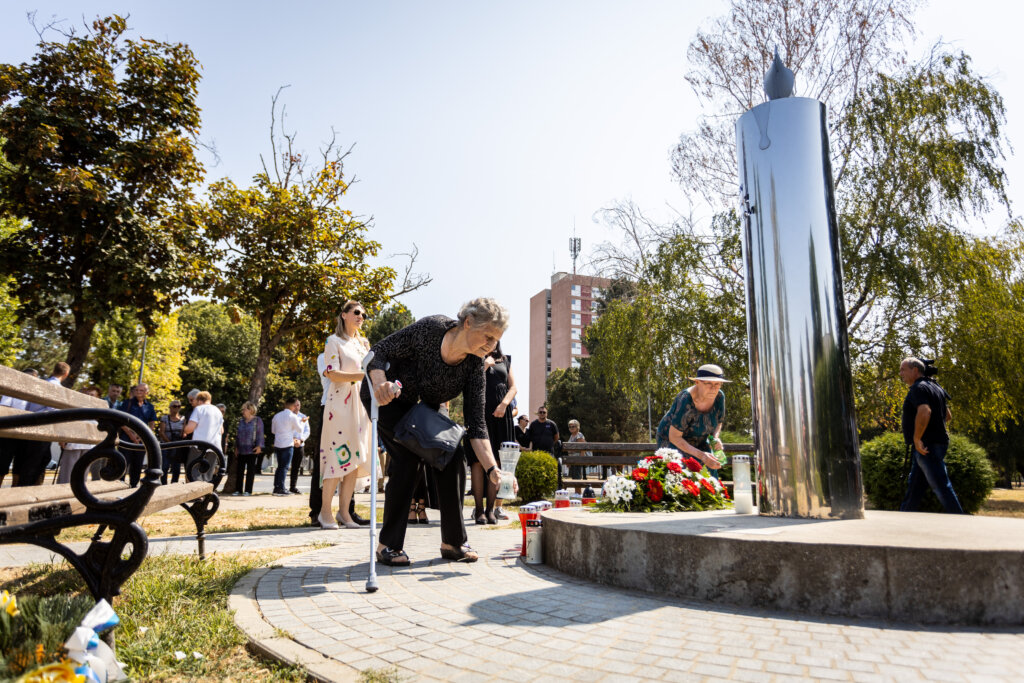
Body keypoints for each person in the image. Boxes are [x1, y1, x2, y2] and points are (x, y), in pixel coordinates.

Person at [361, 298, 508, 566]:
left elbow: (476, 425)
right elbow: (379, 351)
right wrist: (380, 381)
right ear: (467, 323)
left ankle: (453, 542)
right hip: (389, 398)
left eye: (496, 339)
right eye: (488, 336)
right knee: (408, 459)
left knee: (453, 455)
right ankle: (388, 545)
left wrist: (492, 469)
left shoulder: (475, 366)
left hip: (425, 409)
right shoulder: (431, 329)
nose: (492, 345)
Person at [319, 300, 377, 529]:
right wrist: (363, 377)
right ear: (343, 315)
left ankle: (345, 513)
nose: (360, 316)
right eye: (356, 312)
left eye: (363, 313)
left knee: (354, 458)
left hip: (361, 404)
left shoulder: (363, 343)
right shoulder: (333, 341)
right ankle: (325, 513)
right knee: (337, 456)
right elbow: (332, 374)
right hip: (340, 406)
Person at [898, 357, 964, 514]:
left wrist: (917, 438)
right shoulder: (936, 388)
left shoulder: (918, 388)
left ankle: (961, 521)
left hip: (926, 445)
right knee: (914, 487)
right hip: (933, 444)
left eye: (903, 370)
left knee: (941, 486)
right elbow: (947, 415)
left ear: (915, 370)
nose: (900, 374)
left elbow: (925, 411)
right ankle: (904, 518)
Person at [470, 343, 517, 525]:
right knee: (477, 461)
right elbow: (468, 381)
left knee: (497, 460)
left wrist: (504, 404)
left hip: (500, 414)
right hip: (478, 412)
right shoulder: (473, 358)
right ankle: (479, 510)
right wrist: (484, 365)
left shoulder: (505, 360)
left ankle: (491, 510)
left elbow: (513, 387)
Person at [656, 364, 729, 475]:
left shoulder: (719, 397)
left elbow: (719, 422)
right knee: (680, 477)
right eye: (708, 383)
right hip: (673, 441)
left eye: (717, 384)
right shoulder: (685, 399)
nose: (713, 388)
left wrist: (715, 438)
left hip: (700, 440)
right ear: (697, 382)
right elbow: (674, 437)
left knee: (709, 474)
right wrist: (702, 456)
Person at [16, 363, 70, 487]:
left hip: (33, 425)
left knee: (42, 458)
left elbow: (30, 406)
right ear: (66, 374)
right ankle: (25, 489)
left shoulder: (42, 383)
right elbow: (53, 410)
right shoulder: (56, 387)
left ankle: (29, 487)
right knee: (34, 462)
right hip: (42, 427)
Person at [56, 386, 102, 484]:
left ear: (97, 397)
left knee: (83, 474)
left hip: (89, 445)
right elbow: (66, 421)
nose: (89, 396)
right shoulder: (76, 405)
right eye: (87, 394)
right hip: (73, 444)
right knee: (67, 473)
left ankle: (78, 495)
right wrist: (62, 437)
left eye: (92, 395)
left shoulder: (99, 409)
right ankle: (62, 494)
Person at [117, 382, 158, 487]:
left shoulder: (149, 406)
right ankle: (118, 486)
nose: (138, 392)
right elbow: (120, 421)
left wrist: (144, 436)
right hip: (126, 438)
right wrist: (131, 435)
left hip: (141, 441)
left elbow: (152, 423)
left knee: (137, 465)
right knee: (123, 463)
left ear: (147, 392)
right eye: (137, 390)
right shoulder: (127, 403)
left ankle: (134, 487)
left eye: (141, 390)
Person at [183, 391, 224, 478]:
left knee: (193, 472)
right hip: (214, 447)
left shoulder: (199, 409)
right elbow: (222, 431)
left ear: (199, 400)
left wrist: (184, 428)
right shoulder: (218, 411)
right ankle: (206, 491)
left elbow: (189, 429)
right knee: (207, 474)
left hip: (199, 445)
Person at [271, 397, 303, 497]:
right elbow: (299, 429)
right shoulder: (292, 416)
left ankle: (277, 487)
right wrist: (302, 422)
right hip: (288, 444)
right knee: (284, 467)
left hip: (278, 443)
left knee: (279, 466)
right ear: (293, 406)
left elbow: (273, 430)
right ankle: (281, 488)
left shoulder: (277, 416)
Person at [234, 401, 265, 496]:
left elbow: (260, 433)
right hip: (241, 449)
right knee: (239, 471)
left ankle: (248, 490)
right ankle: (238, 490)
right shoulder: (241, 421)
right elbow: (237, 435)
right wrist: (236, 447)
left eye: (244, 409)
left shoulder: (257, 420)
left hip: (252, 449)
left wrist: (259, 446)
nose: (243, 411)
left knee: (250, 471)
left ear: (250, 410)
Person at [157, 399, 187, 484]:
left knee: (176, 468)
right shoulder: (165, 418)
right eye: (174, 406)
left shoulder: (183, 419)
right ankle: (163, 484)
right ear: (170, 407)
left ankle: (174, 483)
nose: (176, 408)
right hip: (166, 445)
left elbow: (184, 432)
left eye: (178, 406)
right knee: (164, 467)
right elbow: (161, 432)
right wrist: (170, 443)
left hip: (177, 446)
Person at [288, 400, 310, 494]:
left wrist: (301, 440)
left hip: (300, 444)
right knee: (284, 466)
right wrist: (292, 439)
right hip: (288, 443)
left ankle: (293, 487)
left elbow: (307, 431)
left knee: (296, 467)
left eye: (298, 405)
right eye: (295, 405)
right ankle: (279, 486)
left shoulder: (303, 417)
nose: (297, 406)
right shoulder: (288, 416)